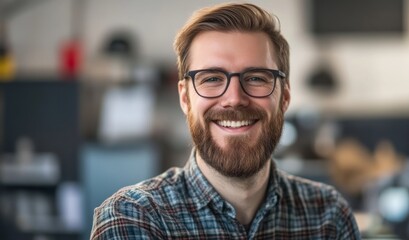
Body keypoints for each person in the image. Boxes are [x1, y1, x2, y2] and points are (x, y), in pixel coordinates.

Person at [90, 3, 361, 239]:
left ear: (285, 96)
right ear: (185, 98)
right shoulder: (134, 217)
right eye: (211, 79)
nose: (234, 98)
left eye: (256, 78)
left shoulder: (328, 216)